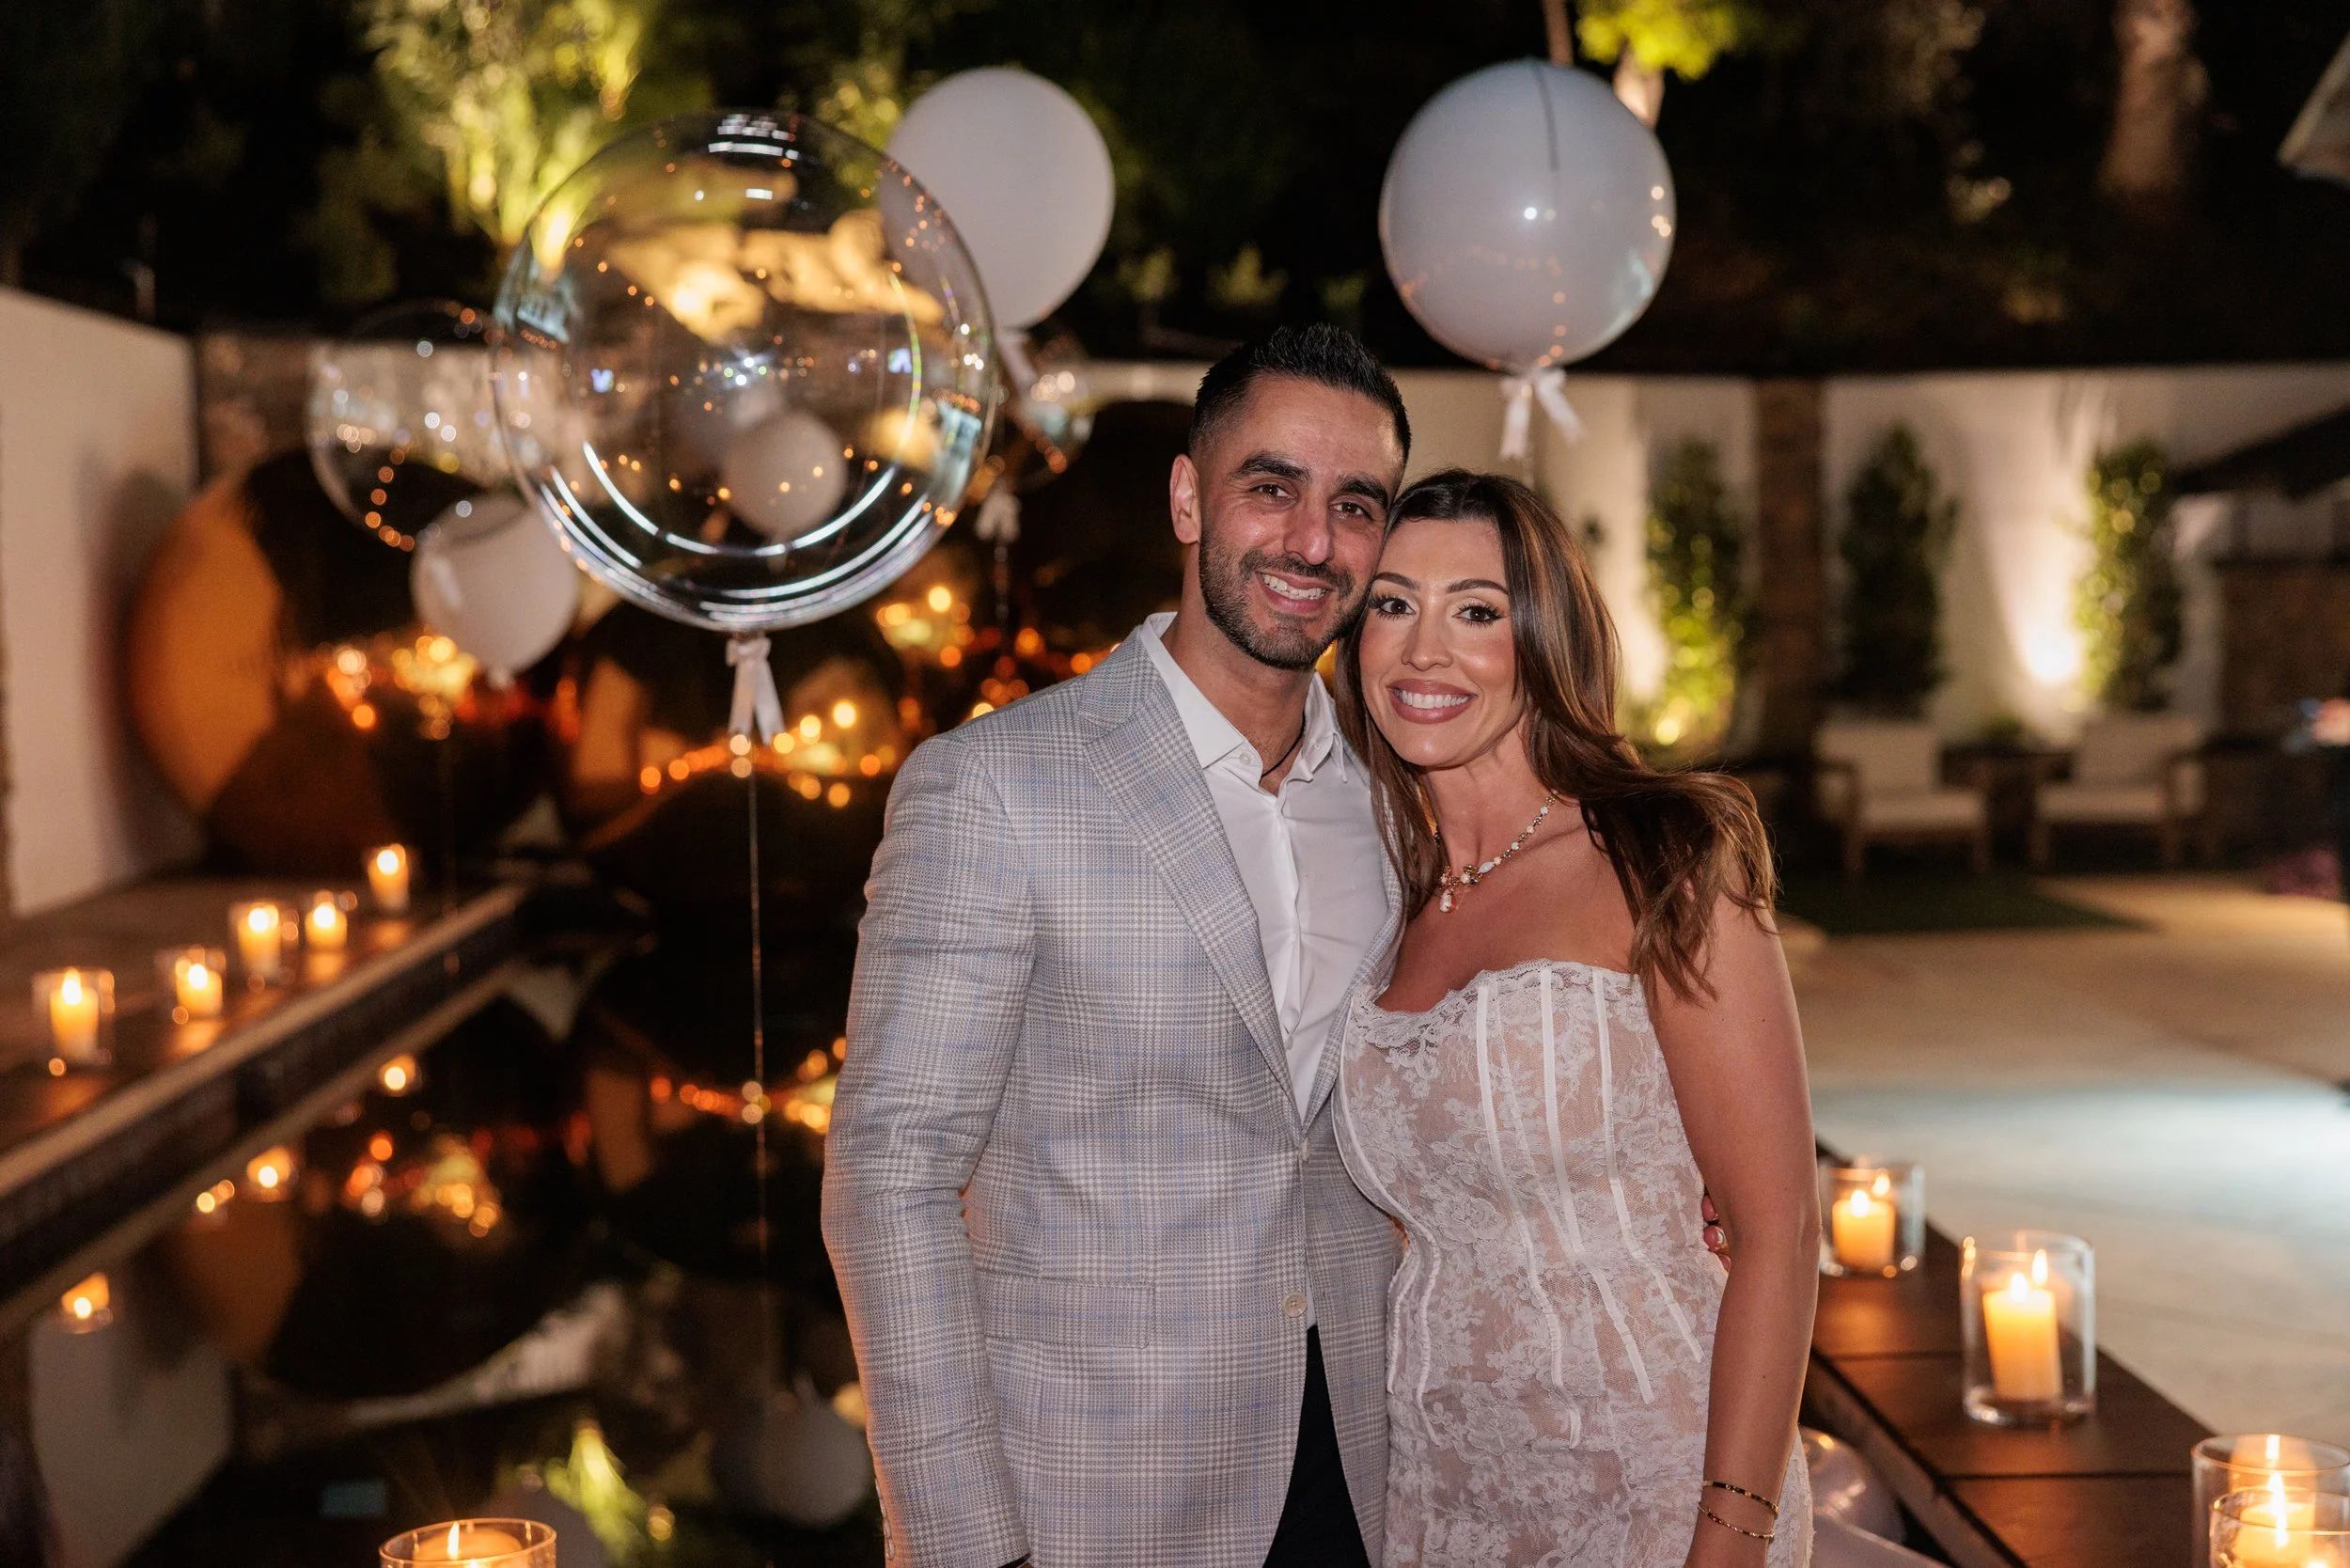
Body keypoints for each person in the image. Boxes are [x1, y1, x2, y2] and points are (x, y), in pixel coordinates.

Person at [822, 323, 1413, 1568]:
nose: (1314, 542)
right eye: (1273, 488)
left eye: (1355, 506)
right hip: (1092, 1497)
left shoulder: (1389, 805)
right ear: (1189, 499)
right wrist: (964, 1544)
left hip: (1358, 1474)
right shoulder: (996, 787)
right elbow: (890, 1178)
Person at [1330, 470, 1818, 1567]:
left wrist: (1729, 1539)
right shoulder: (1381, 895)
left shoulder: (1661, 855)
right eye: (1392, 605)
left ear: (1544, 640)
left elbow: (1779, 1230)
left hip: (1657, 1485)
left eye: (1476, 611)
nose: (1422, 651)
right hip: (1438, 1496)